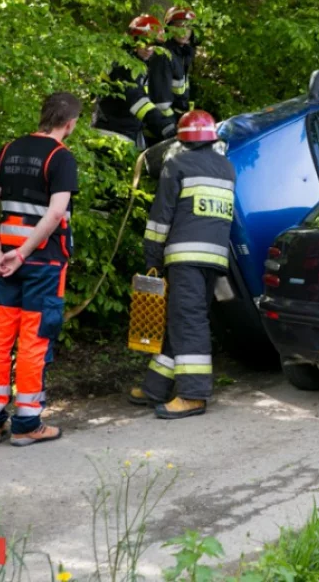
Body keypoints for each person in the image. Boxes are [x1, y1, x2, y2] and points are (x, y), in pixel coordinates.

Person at [0, 92, 81, 446]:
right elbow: (54, 215)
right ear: (69, 124)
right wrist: (21, 253)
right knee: (34, 340)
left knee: (0, 337)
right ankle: (27, 424)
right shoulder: (61, 157)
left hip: (7, 262)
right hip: (42, 264)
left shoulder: (9, 149)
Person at [129, 110, 235, 419]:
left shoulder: (176, 165)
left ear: (181, 139)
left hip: (184, 259)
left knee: (188, 321)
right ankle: (155, 387)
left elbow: (160, 219)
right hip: (214, 260)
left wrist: (152, 261)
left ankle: (193, 395)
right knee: (183, 317)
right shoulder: (227, 169)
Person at [91, 15, 176, 149]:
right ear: (132, 40)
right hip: (112, 135)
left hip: (122, 131)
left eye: (153, 44)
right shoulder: (124, 65)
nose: (148, 48)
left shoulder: (137, 62)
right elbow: (138, 101)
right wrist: (166, 127)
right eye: (144, 42)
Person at [164, 6, 197, 119]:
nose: (184, 31)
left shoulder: (183, 53)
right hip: (164, 124)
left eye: (188, 27)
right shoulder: (165, 55)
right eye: (178, 26)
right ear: (169, 29)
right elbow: (160, 100)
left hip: (180, 116)